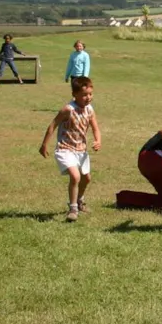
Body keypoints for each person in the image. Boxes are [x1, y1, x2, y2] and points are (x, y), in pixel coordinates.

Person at [39, 77, 102, 222]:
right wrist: (44, 145)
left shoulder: (90, 110)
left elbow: (95, 128)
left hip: (81, 150)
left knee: (87, 178)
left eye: (90, 94)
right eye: (85, 95)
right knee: (75, 176)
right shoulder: (68, 109)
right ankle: (73, 209)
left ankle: (80, 201)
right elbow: (52, 125)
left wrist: (98, 141)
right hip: (65, 148)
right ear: (75, 95)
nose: (88, 98)